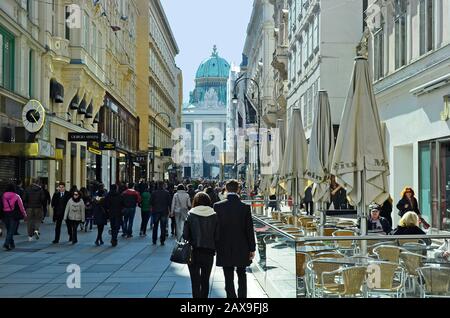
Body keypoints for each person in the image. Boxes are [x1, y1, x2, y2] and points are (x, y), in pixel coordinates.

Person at [214, 180, 256, 299]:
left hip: (224, 245)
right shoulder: (245, 207)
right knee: (242, 273)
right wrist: (252, 248)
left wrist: (215, 245)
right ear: (238, 189)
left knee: (228, 274)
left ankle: (231, 297)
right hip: (242, 245)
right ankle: (242, 298)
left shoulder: (217, 206)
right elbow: (249, 230)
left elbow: (216, 229)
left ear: (226, 189)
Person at [183, 192, 219, 298]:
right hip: (209, 252)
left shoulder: (191, 214)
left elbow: (185, 235)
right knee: (205, 280)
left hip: (193, 252)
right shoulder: (214, 215)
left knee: (195, 281)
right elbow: (217, 236)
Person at [2, 184, 27, 250]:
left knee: (9, 230)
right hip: (13, 214)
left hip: (5, 214)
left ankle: (12, 243)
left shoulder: (3, 195)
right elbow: (21, 207)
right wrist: (24, 215)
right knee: (11, 230)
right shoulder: (17, 196)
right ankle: (6, 244)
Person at [150, 181, 171, 246]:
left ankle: (154, 240)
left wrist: (152, 209)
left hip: (156, 211)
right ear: (163, 185)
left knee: (155, 226)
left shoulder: (154, 193)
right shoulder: (166, 193)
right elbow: (169, 203)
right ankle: (162, 240)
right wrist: (170, 211)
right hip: (164, 212)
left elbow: (150, 202)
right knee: (163, 227)